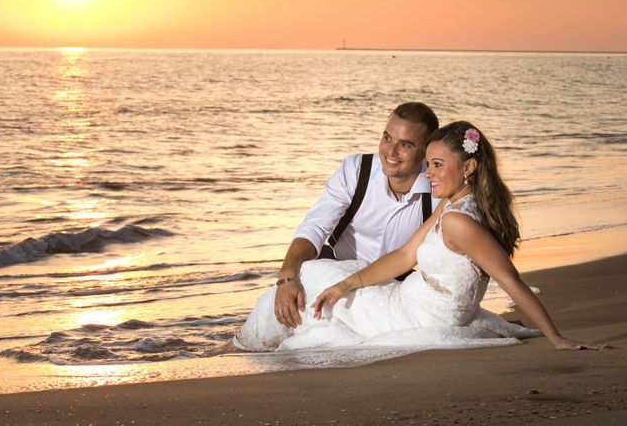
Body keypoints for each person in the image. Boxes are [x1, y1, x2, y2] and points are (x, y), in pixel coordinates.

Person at [231, 121, 601, 352]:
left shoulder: (459, 222)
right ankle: (253, 341)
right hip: (408, 300)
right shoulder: (453, 206)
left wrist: (556, 338)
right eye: (430, 165)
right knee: (322, 279)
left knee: (311, 276)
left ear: (468, 167)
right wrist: (348, 285)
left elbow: (511, 281)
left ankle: (249, 346)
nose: (428, 175)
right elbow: (407, 255)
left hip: (413, 318)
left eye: (437, 166)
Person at [275, 102, 441, 329]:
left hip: (393, 290)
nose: (390, 151)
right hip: (333, 274)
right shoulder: (355, 170)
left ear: (426, 150)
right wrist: (287, 276)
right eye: (387, 138)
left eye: (405, 145)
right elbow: (315, 227)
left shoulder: (438, 191)